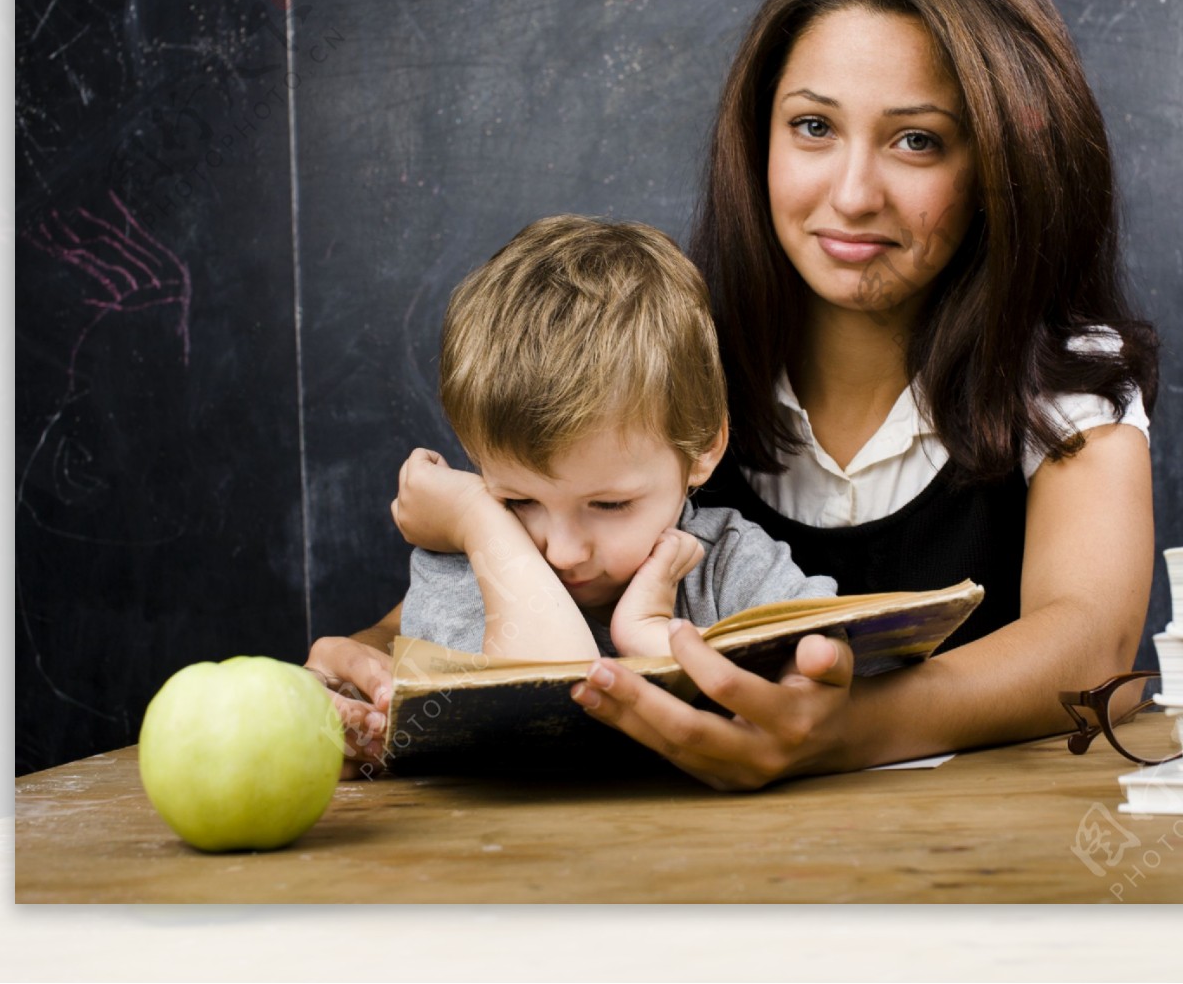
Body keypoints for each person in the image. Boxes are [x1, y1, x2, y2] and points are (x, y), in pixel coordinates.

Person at [309, 0, 1158, 788]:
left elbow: (1093, 644)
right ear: (756, 138)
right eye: (813, 128)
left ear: (999, 165)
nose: (854, 192)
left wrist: (844, 731)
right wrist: (369, 661)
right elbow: (483, 594)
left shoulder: (1063, 375)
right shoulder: (667, 357)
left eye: (918, 140)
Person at [312, 215, 835, 776]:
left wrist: (655, 636)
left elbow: (828, 676)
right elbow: (540, 694)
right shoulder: (468, 567)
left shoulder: (729, 562)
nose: (561, 552)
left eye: (609, 505)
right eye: (517, 503)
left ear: (704, 449)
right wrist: (476, 520)